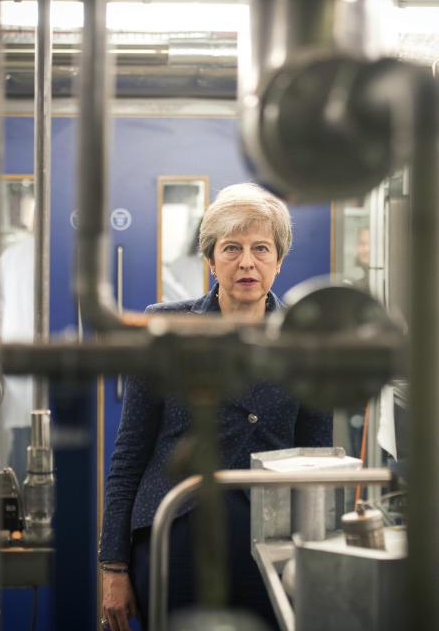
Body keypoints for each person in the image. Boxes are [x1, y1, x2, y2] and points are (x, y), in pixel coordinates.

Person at [98, 183, 333, 631]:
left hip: (272, 540)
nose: (247, 262)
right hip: (175, 531)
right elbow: (129, 455)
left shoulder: (308, 343)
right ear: (210, 260)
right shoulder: (166, 327)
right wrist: (113, 565)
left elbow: (317, 462)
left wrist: (320, 558)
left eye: (261, 248)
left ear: (279, 261)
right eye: (232, 248)